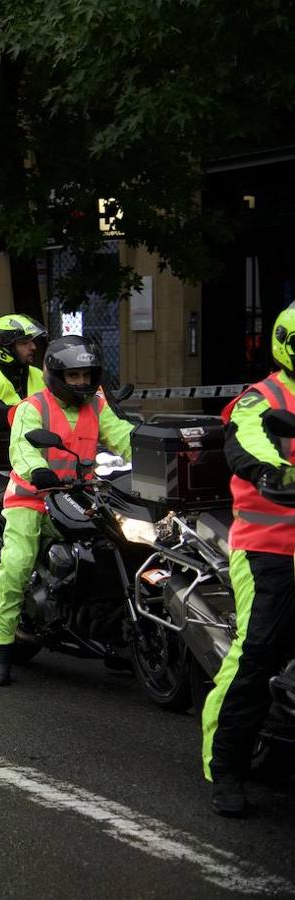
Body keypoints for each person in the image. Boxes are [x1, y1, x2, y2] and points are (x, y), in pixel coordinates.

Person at [0, 335, 133, 686]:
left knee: (119, 548)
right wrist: (37, 469)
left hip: (81, 496)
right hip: (32, 497)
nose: (81, 382)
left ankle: (115, 634)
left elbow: (124, 436)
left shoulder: (97, 406)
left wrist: (158, 452)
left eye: (87, 375)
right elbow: (22, 448)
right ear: (56, 375)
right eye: (73, 376)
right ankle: (1, 647)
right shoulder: (32, 407)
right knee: (17, 564)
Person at [202, 305, 295, 817]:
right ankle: (226, 767)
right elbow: (249, 442)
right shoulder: (261, 398)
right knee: (256, 653)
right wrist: (272, 472)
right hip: (269, 548)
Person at [0, 315, 48, 408]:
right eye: (24, 342)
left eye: (32, 341)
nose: (33, 347)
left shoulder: (40, 375)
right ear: (5, 348)